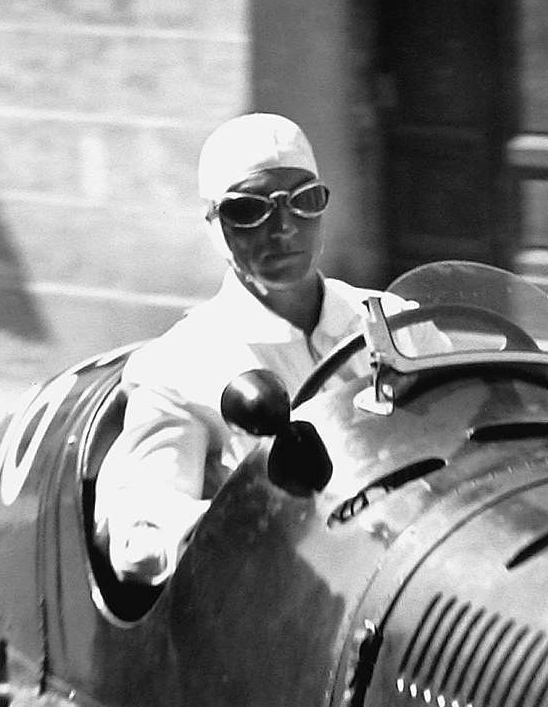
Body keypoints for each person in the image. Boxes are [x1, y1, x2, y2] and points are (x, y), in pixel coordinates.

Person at [95, 113, 378, 586]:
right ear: (215, 225)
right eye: (249, 211)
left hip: (412, 576)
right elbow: (138, 537)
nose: (284, 229)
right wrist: (255, 529)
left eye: (304, 201)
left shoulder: (391, 322)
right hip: (289, 603)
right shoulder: (181, 365)